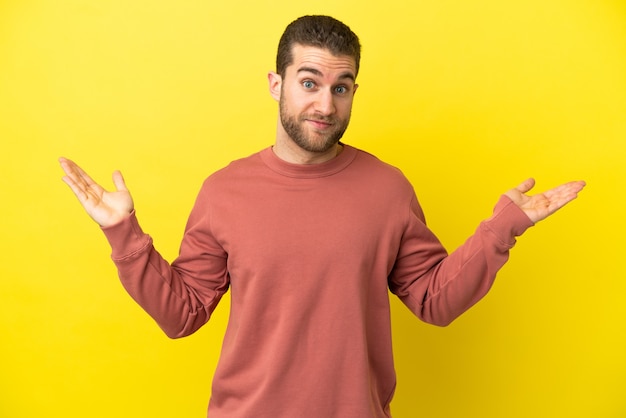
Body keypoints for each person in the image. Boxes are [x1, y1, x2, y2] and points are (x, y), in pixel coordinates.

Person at [59, 15, 585, 418]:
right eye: (309, 82)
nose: (326, 105)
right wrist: (121, 233)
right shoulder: (224, 192)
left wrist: (501, 229)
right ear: (276, 84)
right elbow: (183, 314)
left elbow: (435, 300)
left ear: (354, 90)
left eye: (341, 87)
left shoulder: (387, 188)